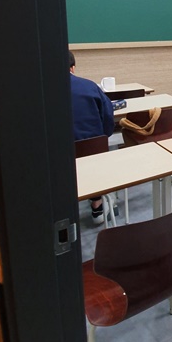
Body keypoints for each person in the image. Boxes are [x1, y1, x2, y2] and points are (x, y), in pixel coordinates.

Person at [69, 51, 115, 222]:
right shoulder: (90, 86)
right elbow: (108, 119)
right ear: (72, 68)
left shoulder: (39, 91)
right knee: (94, 157)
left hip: (56, 160)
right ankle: (97, 205)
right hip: (92, 152)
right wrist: (102, 138)